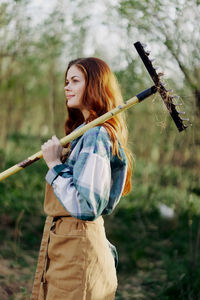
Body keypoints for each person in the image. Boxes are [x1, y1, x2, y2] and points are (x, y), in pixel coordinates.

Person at [32, 57, 132, 300]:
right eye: (66, 81)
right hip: (65, 242)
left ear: (95, 85)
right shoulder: (85, 132)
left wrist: (55, 164)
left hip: (79, 248)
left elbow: (87, 206)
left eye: (75, 80)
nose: (67, 87)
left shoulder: (97, 134)